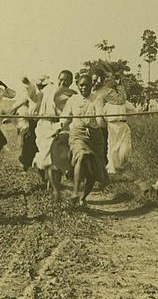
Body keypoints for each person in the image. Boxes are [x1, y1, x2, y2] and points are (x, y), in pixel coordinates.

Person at [61, 73, 109, 207]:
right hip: (78, 133)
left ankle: (83, 197)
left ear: (91, 86)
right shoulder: (73, 100)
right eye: (81, 85)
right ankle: (75, 193)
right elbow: (65, 116)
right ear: (77, 86)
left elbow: (100, 120)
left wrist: (101, 119)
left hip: (95, 136)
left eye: (86, 85)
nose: (83, 88)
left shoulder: (97, 98)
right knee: (81, 155)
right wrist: (60, 124)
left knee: (94, 170)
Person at [32, 69, 77, 197]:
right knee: (44, 160)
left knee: (56, 159)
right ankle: (49, 182)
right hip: (45, 126)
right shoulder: (48, 90)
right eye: (61, 80)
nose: (63, 83)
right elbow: (36, 101)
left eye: (66, 81)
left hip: (61, 127)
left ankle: (56, 190)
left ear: (71, 82)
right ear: (57, 79)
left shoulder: (71, 95)